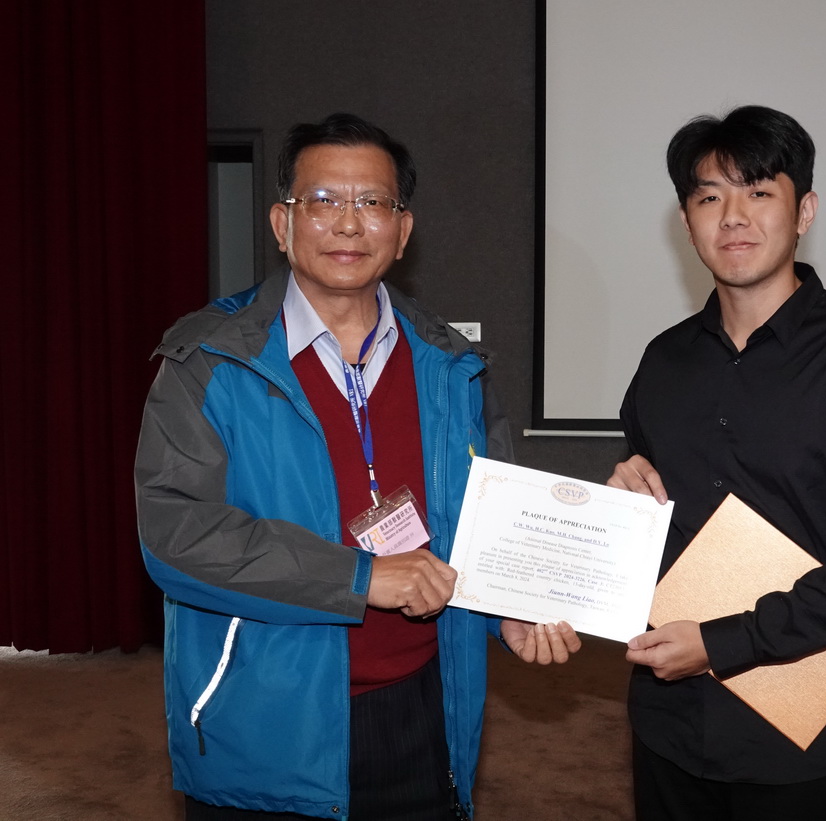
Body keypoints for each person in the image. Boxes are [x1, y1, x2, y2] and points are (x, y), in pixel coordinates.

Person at [135, 112, 580, 821]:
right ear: (282, 223)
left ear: (403, 231)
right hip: (265, 714)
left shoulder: (452, 366)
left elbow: (485, 520)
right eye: (323, 200)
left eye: (372, 202)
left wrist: (507, 612)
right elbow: (175, 535)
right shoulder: (209, 362)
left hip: (424, 710)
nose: (348, 223)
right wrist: (361, 577)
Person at [606, 105, 826, 820]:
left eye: (758, 191)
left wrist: (724, 642)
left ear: (804, 211)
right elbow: (651, 502)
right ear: (686, 220)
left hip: (806, 728)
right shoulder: (663, 361)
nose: (733, 216)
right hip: (670, 715)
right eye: (709, 197)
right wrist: (622, 501)